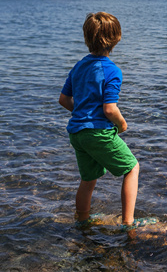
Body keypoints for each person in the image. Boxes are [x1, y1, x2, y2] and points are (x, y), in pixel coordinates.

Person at [59, 12, 154, 230]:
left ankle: (82, 220)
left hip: (77, 133)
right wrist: (121, 124)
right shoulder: (112, 71)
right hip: (97, 133)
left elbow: (63, 100)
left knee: (88, 179)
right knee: (132, 168)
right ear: (116, 38)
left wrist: (81, 113)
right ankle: (128, 223)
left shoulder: (78, 67)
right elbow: (110, 109)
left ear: (86, 38)